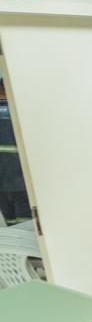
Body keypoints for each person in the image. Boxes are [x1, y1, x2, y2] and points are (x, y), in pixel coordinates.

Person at [0, 78, 30, 221]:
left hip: (2, 187)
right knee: (25, 229)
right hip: (21, 183)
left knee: (11, 229)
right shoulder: (21, 114)